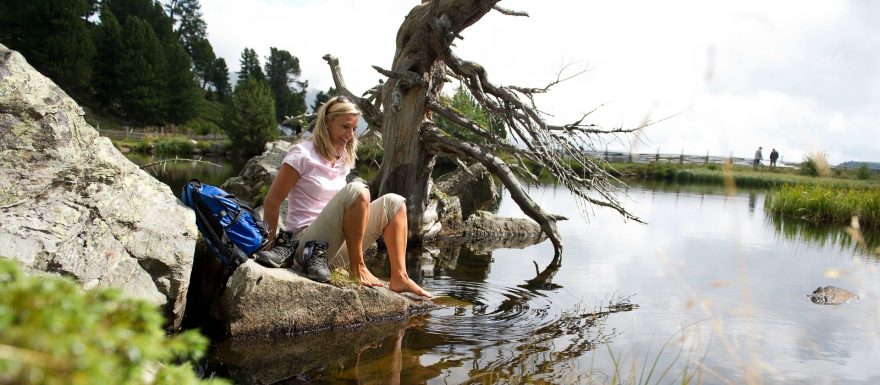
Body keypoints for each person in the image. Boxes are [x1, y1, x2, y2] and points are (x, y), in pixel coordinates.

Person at [262, 95, 431, 298]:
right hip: (306, 247)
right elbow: (272, 203)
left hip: (332, 251)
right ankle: (357, 266)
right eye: (345, 127)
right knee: (358, 190)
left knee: (395, 203)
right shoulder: (301, 155)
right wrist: (270, 247)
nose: (350, 135)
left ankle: (400, 277)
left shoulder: (342, 157)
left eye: (353, 128)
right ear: (327, 122)